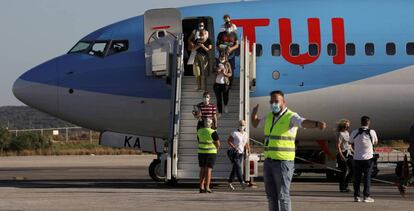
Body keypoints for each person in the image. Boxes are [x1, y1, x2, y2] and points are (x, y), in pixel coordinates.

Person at [251, 90, 326, 211]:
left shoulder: (291, 116)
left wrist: (316, 124)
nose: (273, 104)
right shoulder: (269, 116)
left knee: (283, 196)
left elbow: (303, 122)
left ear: (283, 102)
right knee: (271, 196)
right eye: (271, 101)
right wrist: (253, 114)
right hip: (268, 162)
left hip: (283, 163)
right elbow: (256, 124)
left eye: (276, 101)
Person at [349, 116, 378, 203]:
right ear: (369, 123)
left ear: (361, 122)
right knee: (367, 178)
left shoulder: (354, 132)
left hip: (357, 158)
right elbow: (375, 142)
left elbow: (350, 142)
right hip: (368, 159)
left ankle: (356, 196)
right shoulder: (372, 132)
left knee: (357, 178)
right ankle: (366, 196)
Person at [197, 118, 220, 193]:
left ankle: (201, 186)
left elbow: (199, 140)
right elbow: (218, 144)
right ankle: (207, 187)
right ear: (211, 124)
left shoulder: (199, 131)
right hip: (211, 152)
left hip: (201, 152)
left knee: (202, 169)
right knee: (208, 170)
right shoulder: (213, 132)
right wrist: (216, 149)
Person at [188, 21, 212, 91]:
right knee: (197, 72)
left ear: (206, 34)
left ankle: (204, 88)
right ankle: (199, 86)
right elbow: (192, 49)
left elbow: (209, 50)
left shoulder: (208, 41)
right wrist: (198, 45)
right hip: (196, 56)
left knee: (203, 73)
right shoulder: (197, 40)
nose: (202, 37)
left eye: (203, 35)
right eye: (201, 35)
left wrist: (203, 46)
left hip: (204, 56)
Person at [227, 120, 250, 190]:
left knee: (235, 168)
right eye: (240, 125)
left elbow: (246, 143)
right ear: (238, 125)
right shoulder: (234, 133)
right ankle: (242, 182)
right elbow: (229, 141)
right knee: (239, 167)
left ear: (245, 125)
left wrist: (248, 150)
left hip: (241, 153)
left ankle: (230, 182)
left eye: (243, 125)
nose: (241, 126)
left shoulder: (246, 134)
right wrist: (234, 147)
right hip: (234, 152)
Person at [217, 21, 239, 87]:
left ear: (231, 27)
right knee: (221, 69)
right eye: (227, 27)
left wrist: (231, 48)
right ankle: (222, 84)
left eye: (229, 27)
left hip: (231, 56)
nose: (228, 28)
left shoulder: (234, 34)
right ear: (225, 27)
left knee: (231, 70)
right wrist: (225, 47)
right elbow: (217, 45)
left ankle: (230, 85)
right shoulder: (220, 34)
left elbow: (237, 45)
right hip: (222, 57)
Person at [336, 119, 353, 193]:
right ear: (343, 126)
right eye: (347, 125)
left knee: (353, 169)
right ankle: (342, 187)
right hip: (342, 153)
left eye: (348, 125)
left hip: (349, 153)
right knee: (344, 171)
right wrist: (341, 155)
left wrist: (353, 151)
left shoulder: (347, 132)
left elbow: (349, 144)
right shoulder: (340, 134)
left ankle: (346, 184)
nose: (348, 126)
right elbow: (338, 145)